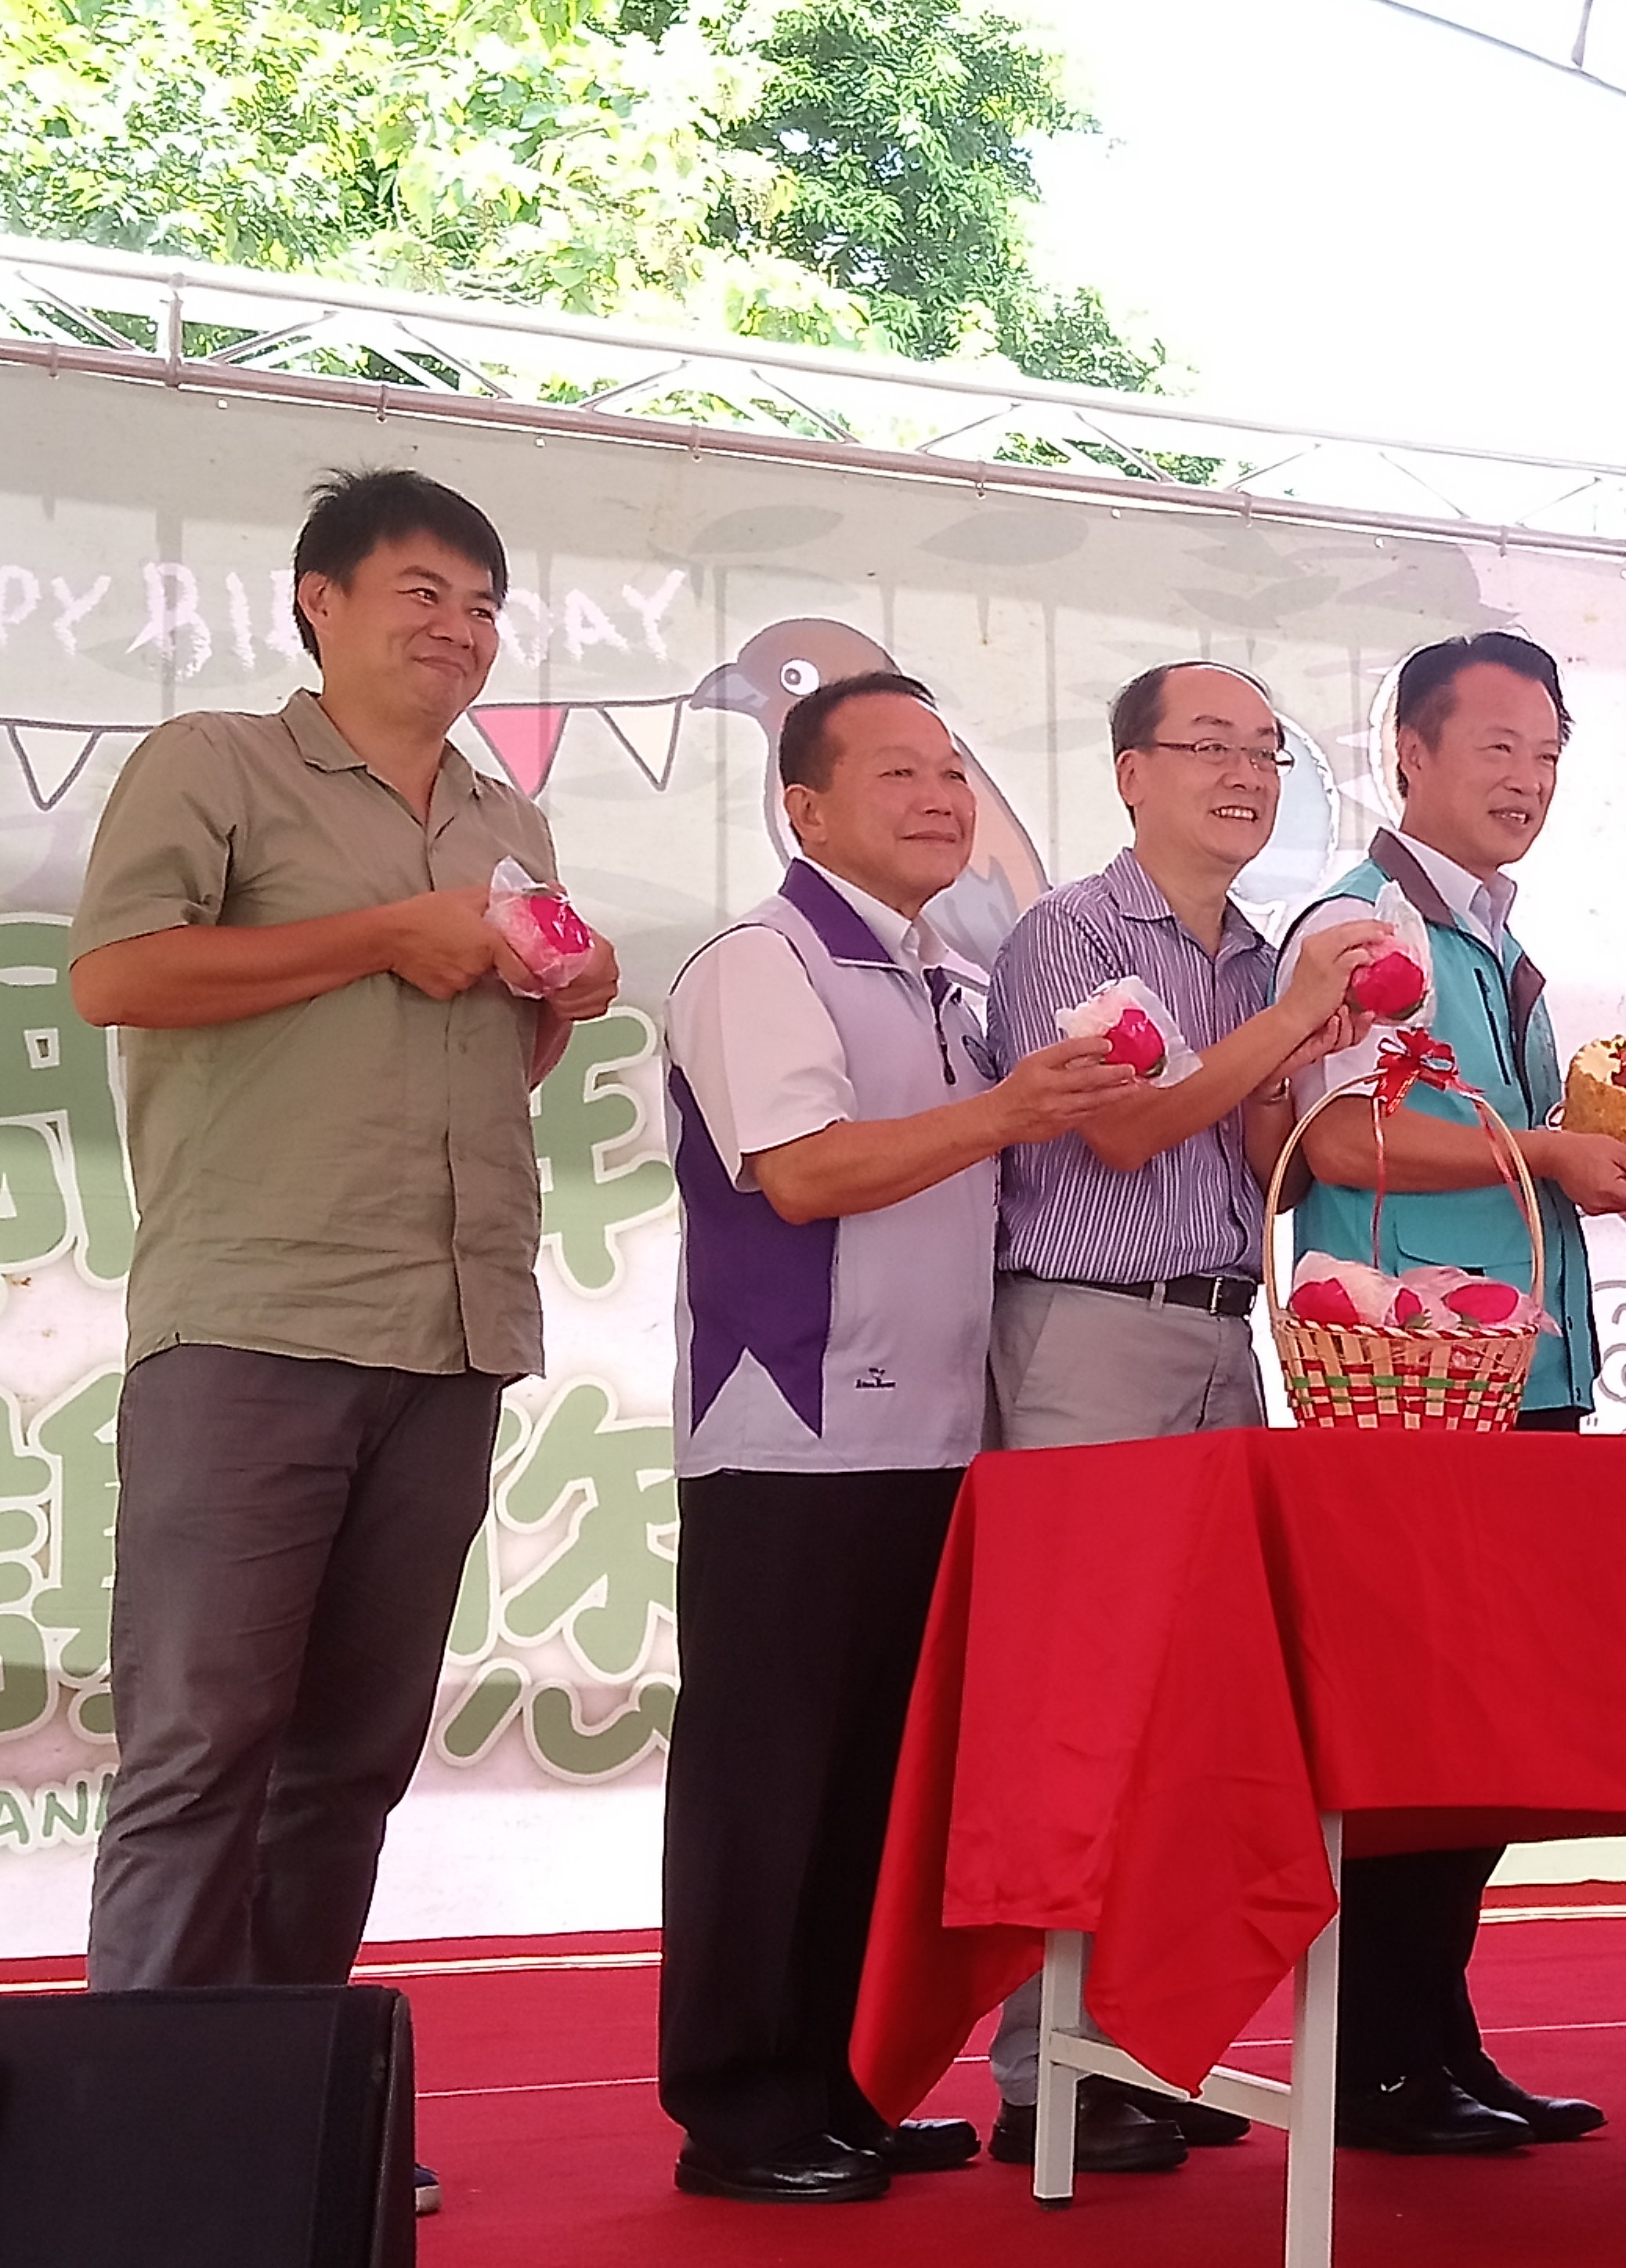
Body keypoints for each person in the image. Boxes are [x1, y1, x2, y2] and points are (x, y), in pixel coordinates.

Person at [70, 468, 621, 2219]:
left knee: (350, 1761)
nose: (458, 628)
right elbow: (118, 976)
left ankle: (289, 2117)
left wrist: (554, 990)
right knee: (201, 1746)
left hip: (451, 1325)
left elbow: (490, 1056)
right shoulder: (218, 762)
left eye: (483, 604)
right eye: (421, 590)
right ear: (319, 599)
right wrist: (387, 933)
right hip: (256, 1312)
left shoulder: (502, 815)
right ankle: (145, 2146)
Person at [658, 671, 1136, 2203]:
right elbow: (801, 1172)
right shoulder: (763, 960)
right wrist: (1011, 1111)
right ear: (801, 808)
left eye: (950, 771)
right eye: (897, 773)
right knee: (768, 1785)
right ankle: (740, 2108)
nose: (940, 798)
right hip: (791, 1437)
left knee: (873, 1786)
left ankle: (837, 2087)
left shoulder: (950, 983)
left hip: (935, 1437)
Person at [974, 661, 1386, 2174]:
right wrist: (1291, 1018)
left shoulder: (1265, 958)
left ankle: (1138, 2044)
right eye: (1209, 745)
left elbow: (1257, 1148)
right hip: (1090, 1337)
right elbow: (1130, 1129)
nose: (1244, 773)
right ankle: (1042, 2075)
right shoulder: (1070, 933)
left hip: (1226, 1335)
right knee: (1082, 1700)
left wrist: (1310, 1057)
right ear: (1130, 772)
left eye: (1265, 751)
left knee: (1188, 1712)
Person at [1281, 630, 1626, 2152]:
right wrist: (1545, 1155)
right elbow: (1332, 1135)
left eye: (1547, 752)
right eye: (1496, 746)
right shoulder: (1362, 923)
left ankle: (1435, 2038)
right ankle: (1374, 2061)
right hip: (1410, 1387)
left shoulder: (1491, 936)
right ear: (1409, 755)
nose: (1528, 778)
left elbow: (1500, 1143)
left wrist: (1596, 1172)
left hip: (1512, 1372)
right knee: (1416, 1729)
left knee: (1481, 1731)